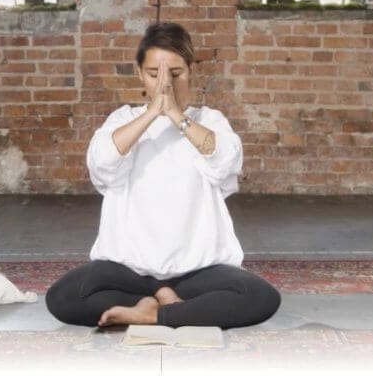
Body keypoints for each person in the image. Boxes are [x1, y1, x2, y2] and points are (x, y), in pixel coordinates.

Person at [45, 22, 281, 329]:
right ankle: (166, 302)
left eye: (176, 73)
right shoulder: (123, 119)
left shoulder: (209, 120)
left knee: (259, 297)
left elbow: (225, 161)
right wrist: (151, 114)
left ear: (190, 72)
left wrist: (175, 115)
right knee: (63, 297)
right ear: (140, 74)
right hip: (130, 274)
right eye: (155, 74)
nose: (165, 84)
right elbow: (101, 163)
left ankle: (152, 314)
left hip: (197, 273)